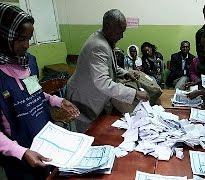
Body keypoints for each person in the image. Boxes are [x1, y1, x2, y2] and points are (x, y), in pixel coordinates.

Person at [0, 3, 80, 179]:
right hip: (20, 153)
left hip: (45, 140)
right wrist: (20, 151)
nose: (27, 45)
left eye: (29, 38)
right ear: (4, 35)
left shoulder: (28, 61)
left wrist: (56, 101)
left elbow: (33, 92)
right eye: (21, 39)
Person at [66, 9, 149, 132]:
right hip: (83, 98)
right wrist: (134, 93)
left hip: (92, 96)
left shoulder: (104, 39)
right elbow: (102, 81)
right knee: (84, 133)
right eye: (119, 32)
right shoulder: (98, 46)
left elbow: (109, 66)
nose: (121, 36)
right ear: (109, 27)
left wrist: (126, 73)